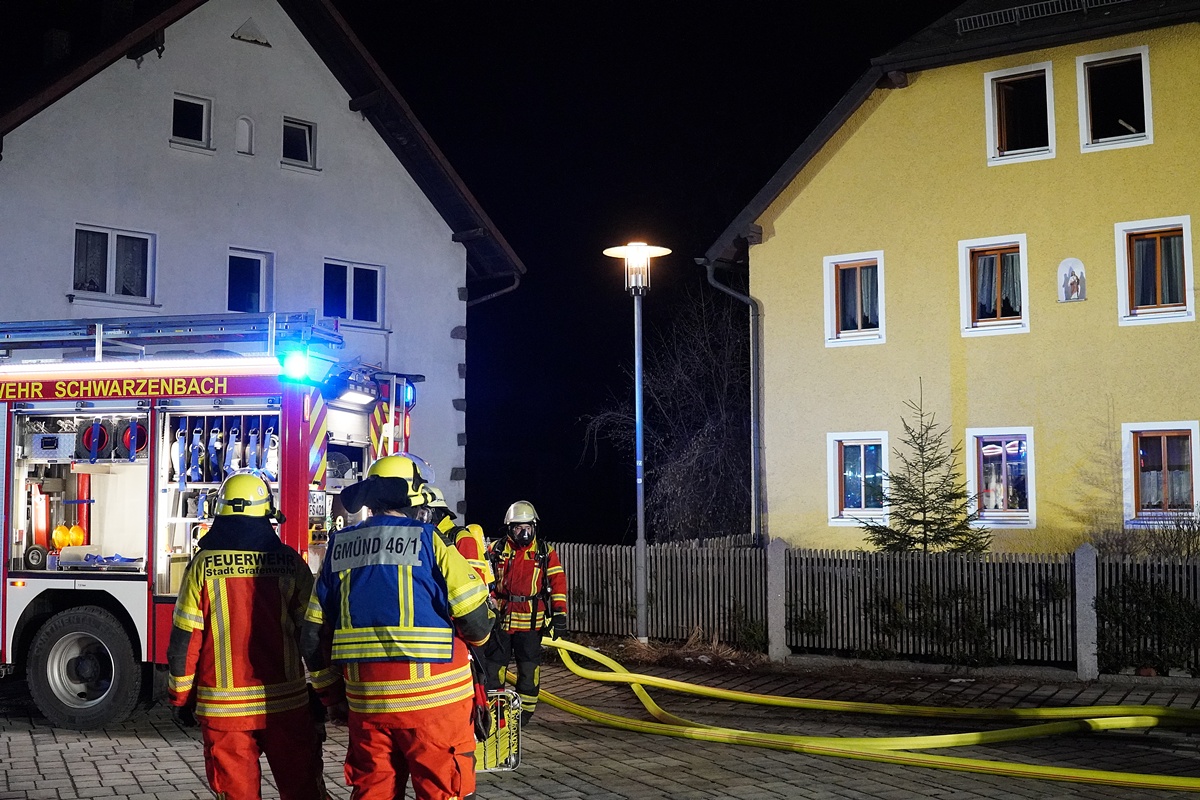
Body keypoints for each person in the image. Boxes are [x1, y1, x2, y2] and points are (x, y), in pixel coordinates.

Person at [302, 454, 493, 800]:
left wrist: (333, 698)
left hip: (368, 707)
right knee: (442, 792)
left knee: (374, 792)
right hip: (436, 708)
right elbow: (477, 625)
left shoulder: (339, 548)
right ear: (414, 496)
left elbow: (312, 637)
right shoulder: (431, 541)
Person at [167, 472, 327, 800]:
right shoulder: (291, 563)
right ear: (267, 514)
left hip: (224, 712)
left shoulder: (202, 566)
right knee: (303, 790)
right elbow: (313, 635)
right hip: (286, 704)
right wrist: (328, 691)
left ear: (221, 513)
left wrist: (180, 697)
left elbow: (185, 640)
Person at [482, 500, 568, 725]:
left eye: (528, 527)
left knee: (529, 671)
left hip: (531, 624)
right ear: (510, 529)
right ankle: (495, 713)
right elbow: (483, 579)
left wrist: (560, 614)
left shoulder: (544, 552)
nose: (524, 532)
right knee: (495, 670)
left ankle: (523, 716)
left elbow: (557, 583)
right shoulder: (496, 551)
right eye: (519, 528)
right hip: (501, 621)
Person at [422, 484, 495, 587]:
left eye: (422, 512)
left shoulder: (462, 538)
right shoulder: (426, 537)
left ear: (434, 512)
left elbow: (474, 583)